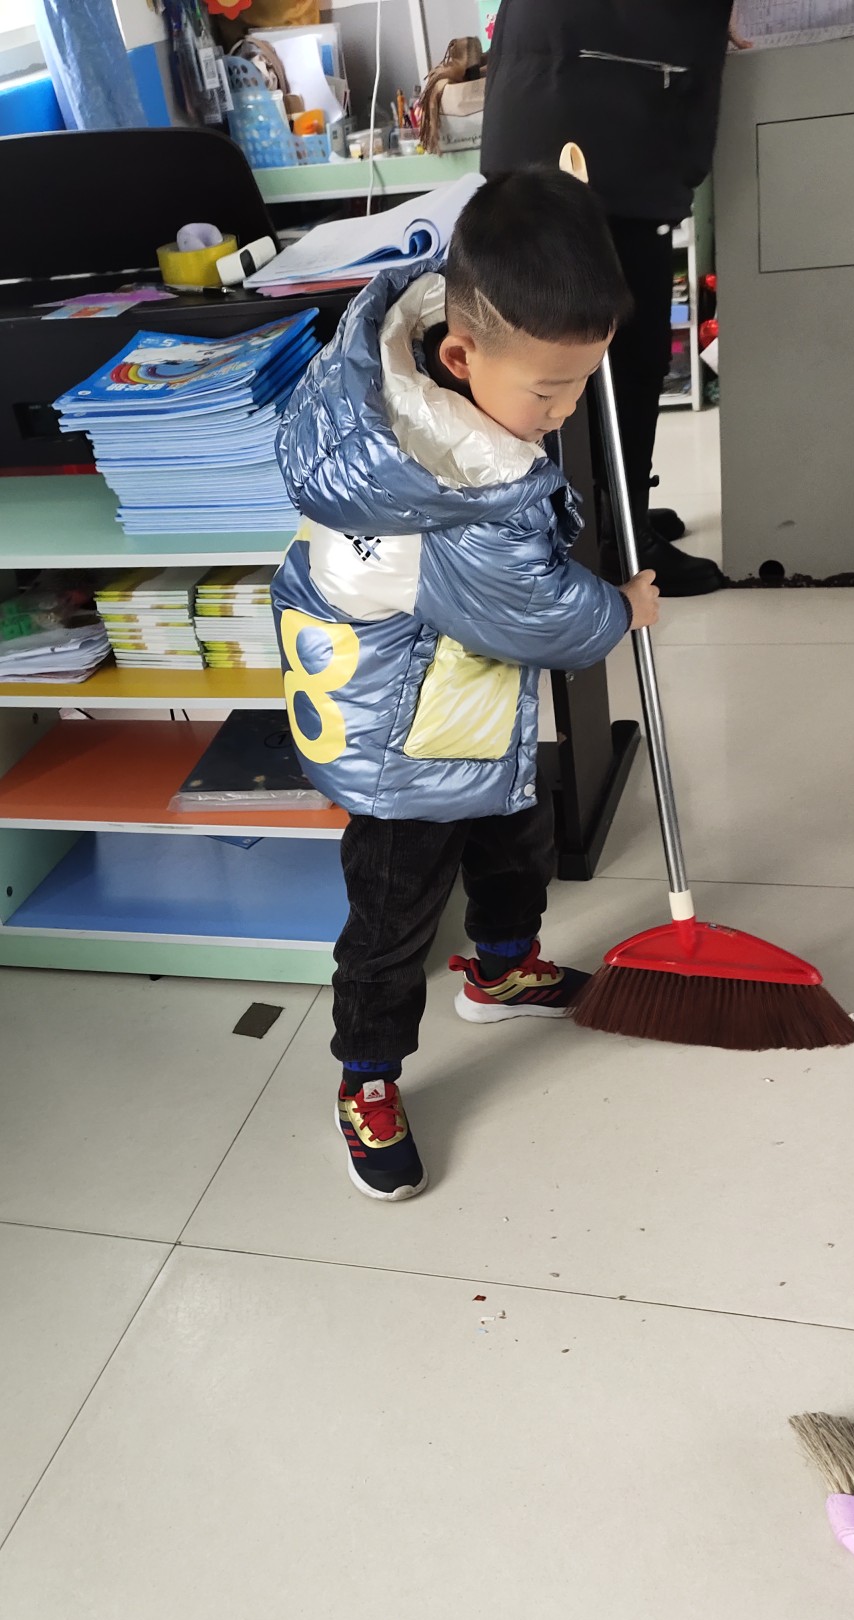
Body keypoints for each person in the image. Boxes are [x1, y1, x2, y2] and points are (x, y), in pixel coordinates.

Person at [273, 170, 659, 1202]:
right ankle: (366, 1076)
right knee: (393, 915)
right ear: (459, 356)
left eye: (581, 383)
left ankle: (499, 964)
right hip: (402, 747)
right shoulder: (456, 490)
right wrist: (622, 607)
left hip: (461, 705)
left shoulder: (407, 381)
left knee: (514, 836)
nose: (564, 411)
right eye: (549, 392)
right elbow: (538, 615)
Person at [481, 0, 734, 596]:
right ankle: (615, 536)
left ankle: (612, 510)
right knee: (621, 351)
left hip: (571, 86)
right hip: (603, 103)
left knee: (592, 345)